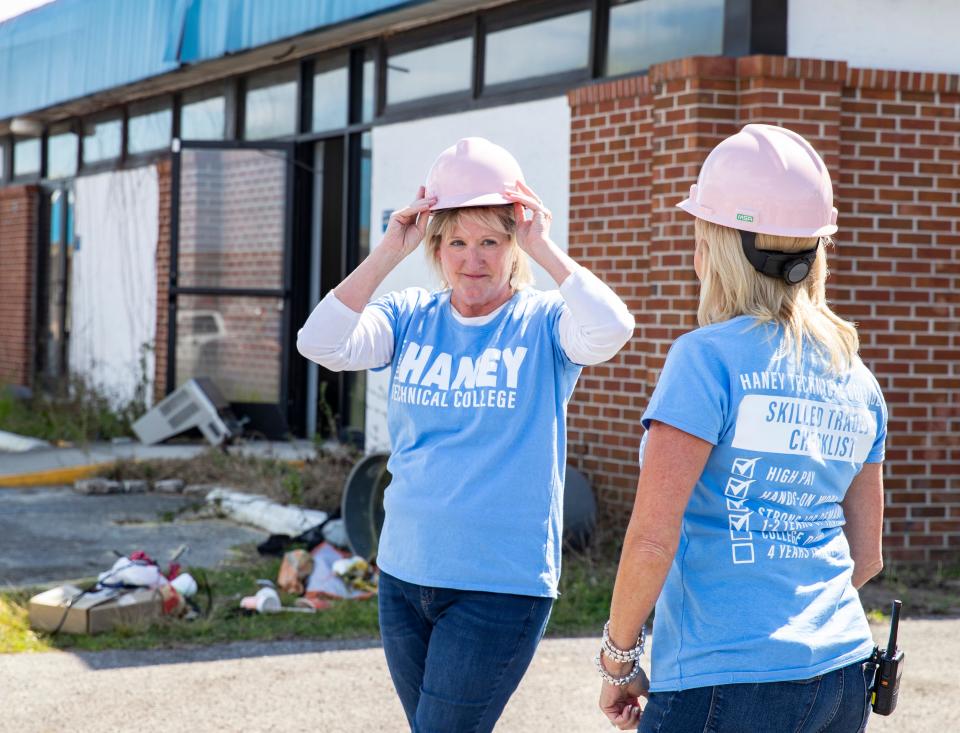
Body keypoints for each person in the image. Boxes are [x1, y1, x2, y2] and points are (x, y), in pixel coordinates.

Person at [297, 137, 634, 732]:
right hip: (403, 578)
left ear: (513, 246)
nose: (471, 258)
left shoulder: (545, 323)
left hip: (497, 587)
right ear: (436, 245)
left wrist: (545, 246)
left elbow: (612, 328)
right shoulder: (407, 316)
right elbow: (319, 342)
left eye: (490, 241)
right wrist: (386, 252)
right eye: (456, 241)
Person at [594, 124, 888, 732]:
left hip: (722, 680)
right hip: (840, 673)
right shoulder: (854, 375)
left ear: (719, 248)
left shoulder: (706, 359)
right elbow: (866, 557)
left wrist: (619, 660)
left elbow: (652, 539)